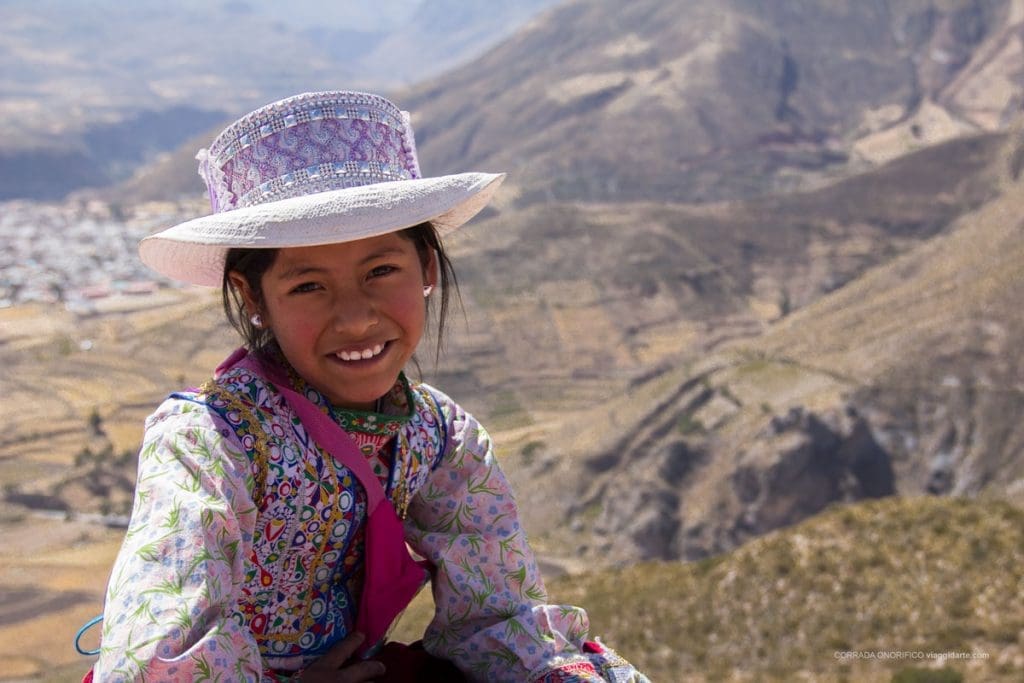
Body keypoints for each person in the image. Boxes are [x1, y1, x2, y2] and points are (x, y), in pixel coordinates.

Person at [91, 90, 650, 682]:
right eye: (309, 286)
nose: (355, 318)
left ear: (427, 268)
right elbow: (157, 660)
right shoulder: (209, 442)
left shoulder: (440, 436)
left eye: (381, 271)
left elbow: (497, 616)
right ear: (254, 297)